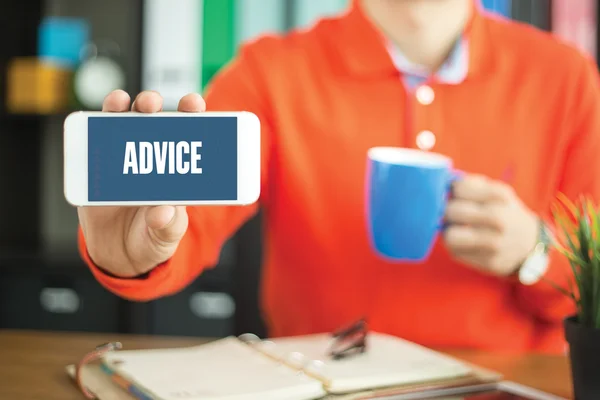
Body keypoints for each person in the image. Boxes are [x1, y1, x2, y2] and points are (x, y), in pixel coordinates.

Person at [77, 0, 600, 354]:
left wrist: (535, 252)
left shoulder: (568, 79)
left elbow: (591, 284)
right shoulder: (269, 72)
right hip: (323, 382)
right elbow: (189, 222)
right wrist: (135, 254)